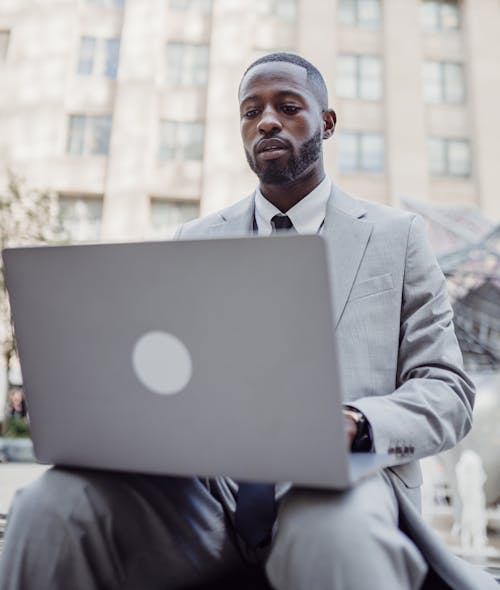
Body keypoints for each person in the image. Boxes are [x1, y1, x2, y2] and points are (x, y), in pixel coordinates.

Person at [0, 52, 496, 590]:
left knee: (332, 535)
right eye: (250, 111)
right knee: (49, 506)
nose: (266, 121)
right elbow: (161, 372)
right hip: (205, 503)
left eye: (287, 106)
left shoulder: (396, 236)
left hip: (339, 484)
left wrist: (357, 421)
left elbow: (448, 392)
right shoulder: (193, 242)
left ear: (327, 124)